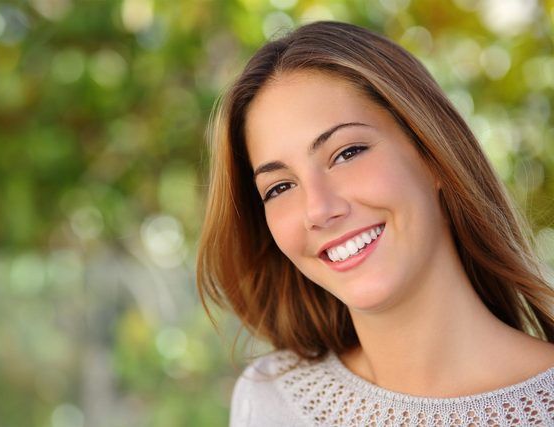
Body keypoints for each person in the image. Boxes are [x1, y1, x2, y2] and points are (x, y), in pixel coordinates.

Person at [196, 21, 554, 426]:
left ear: (433, 152)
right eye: (280, 187)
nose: (318, 209)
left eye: (347, 153)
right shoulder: (270, 400)